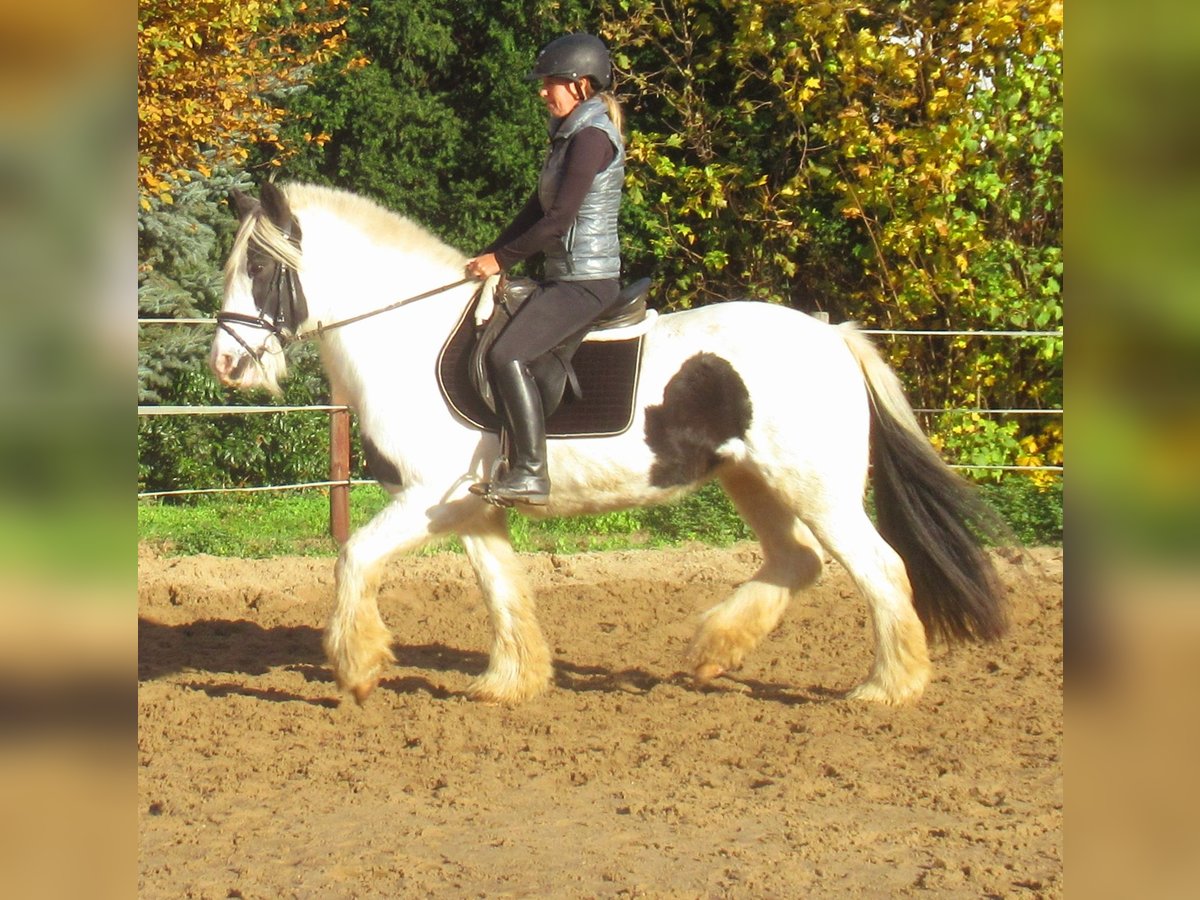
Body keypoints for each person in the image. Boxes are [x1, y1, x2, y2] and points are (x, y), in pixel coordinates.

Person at [465, 32, 626, 506]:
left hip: (587, 282)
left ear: (579, 85)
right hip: (564, 277)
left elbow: (558, 223)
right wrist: (487, 257)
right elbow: (534, 211)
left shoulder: (592, 138)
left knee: (506, 355)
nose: (542, 91)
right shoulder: (570, 137)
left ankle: (531, 473)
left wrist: (503, 259)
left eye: (551, 82)